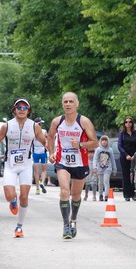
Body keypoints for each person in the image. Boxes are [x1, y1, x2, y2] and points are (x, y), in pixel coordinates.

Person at [0, 98, 46, 238]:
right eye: (19, 107)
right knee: (9, 195)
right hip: (10, 164)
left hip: (26, 164)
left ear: (29, 110)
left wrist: (53, 152)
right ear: (14, 110)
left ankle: (19, 226)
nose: (21, 110)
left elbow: (45, 141)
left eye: (24, 108)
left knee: (24, 195)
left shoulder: (34, 126)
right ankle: (13, 201)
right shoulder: (7, 126)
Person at [47, 92, 98, 239]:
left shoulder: (84, 122)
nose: (68, 104)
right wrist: (51, 152)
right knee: (64, 192)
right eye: (65, 102)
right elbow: (50, 137)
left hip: (80, 163)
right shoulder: (57, 121)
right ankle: (66, 226)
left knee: (75, 195)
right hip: (62, 161)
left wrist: (81, 144)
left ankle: (73, 219)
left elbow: (94, 142)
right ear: (62, 104)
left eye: (71, 102)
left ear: (77, 104)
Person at [118, 116, 136, 201]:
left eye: (130, 122)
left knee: (135, 175)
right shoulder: (122, 133)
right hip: (125, 157)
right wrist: (126, 155)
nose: (128, 124)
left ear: (132, 123)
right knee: (126, 175)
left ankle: (134, 193)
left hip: (135, 156)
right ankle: (127, 194)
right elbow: (119, 146)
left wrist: (135, 155)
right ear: (124, 124)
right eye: (126, 122)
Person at [93, 135, 117, 201]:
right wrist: (94, 167)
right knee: (100, 182)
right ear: (100, 141)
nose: (104, 142)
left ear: (108, 141)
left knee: (106, 181)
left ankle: (106, 195)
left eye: (105, 140)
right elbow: (95, 159)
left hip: (108, 168)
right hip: (99, 168)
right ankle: (100, 194)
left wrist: (114, 169)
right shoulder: (98, 149)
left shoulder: (110, 150)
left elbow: (112, 160)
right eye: (102, 140)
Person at [32, 117, 48, 195]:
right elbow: (47, 142)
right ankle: (42, 182)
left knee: (36, 171)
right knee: (44, 170)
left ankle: (37, 188)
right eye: (40, 124)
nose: (41, 125)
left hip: (35, 152)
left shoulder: (32, 132)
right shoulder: (44, 131)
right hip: (43, 151)